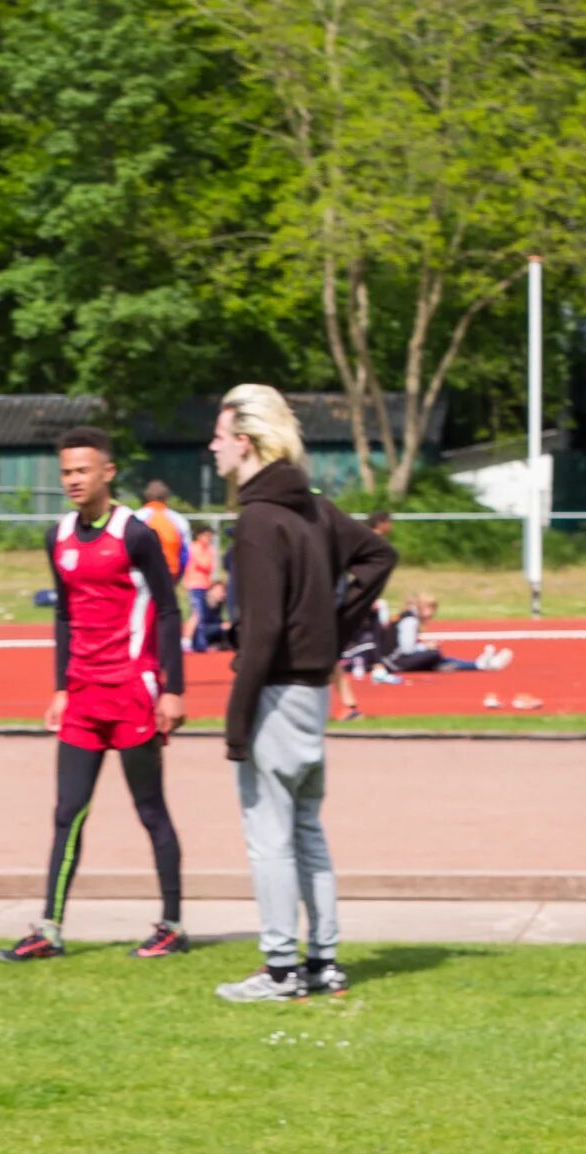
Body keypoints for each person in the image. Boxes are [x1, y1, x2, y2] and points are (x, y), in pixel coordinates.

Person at [207, 384, 395, 1003]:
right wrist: (333, 629)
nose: (212, 446)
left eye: (219, 434)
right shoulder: (313, 506)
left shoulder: (258, 521)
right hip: (312, 694)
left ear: (246, 441)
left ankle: (281, 969)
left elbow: (260, 633)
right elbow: (377, 556)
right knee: (307, 830)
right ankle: (325, 962)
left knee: (269, 836)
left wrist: (236, 721)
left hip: (275, 695)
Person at [0, 426, 190, 963]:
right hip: (82, 697)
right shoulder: (57, 535)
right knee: (67, 812)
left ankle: (172, 925)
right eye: (66, 472)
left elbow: (170, 610)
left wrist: (172, 689)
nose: (73, 480)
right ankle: (50, 928)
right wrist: (60, 686)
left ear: (108, 472)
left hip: (131, 692)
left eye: (83, 470)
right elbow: (63, 613)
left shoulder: (136, 535)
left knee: (150, 809)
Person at [387, 593, 509, 674]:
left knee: (438, 658)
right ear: (422, 607)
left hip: (395, 660)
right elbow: (407, 649)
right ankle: (480, 664)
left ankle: (478, 664)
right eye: (431, 608)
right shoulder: (410, 620)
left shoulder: (407, 618)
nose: (432, 614)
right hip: (396, 662)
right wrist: (425, 647)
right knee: (434, 654)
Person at [182, 526, 223, 651]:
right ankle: (189, 642)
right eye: (207, 535)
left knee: (202, 615)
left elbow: (211, 566)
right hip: (194, 585)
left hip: (205, 584)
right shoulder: (194, 548)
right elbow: (204, 564)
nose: (209, 539)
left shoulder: (209, 549)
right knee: (197, 614)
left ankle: (197, 642)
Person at [134, 479, 189, 572]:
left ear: (147, 497)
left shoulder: (135, 517)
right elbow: (185, 555)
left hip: (141, 573)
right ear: (166, 497)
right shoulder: (179, 520)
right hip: (170, 572)